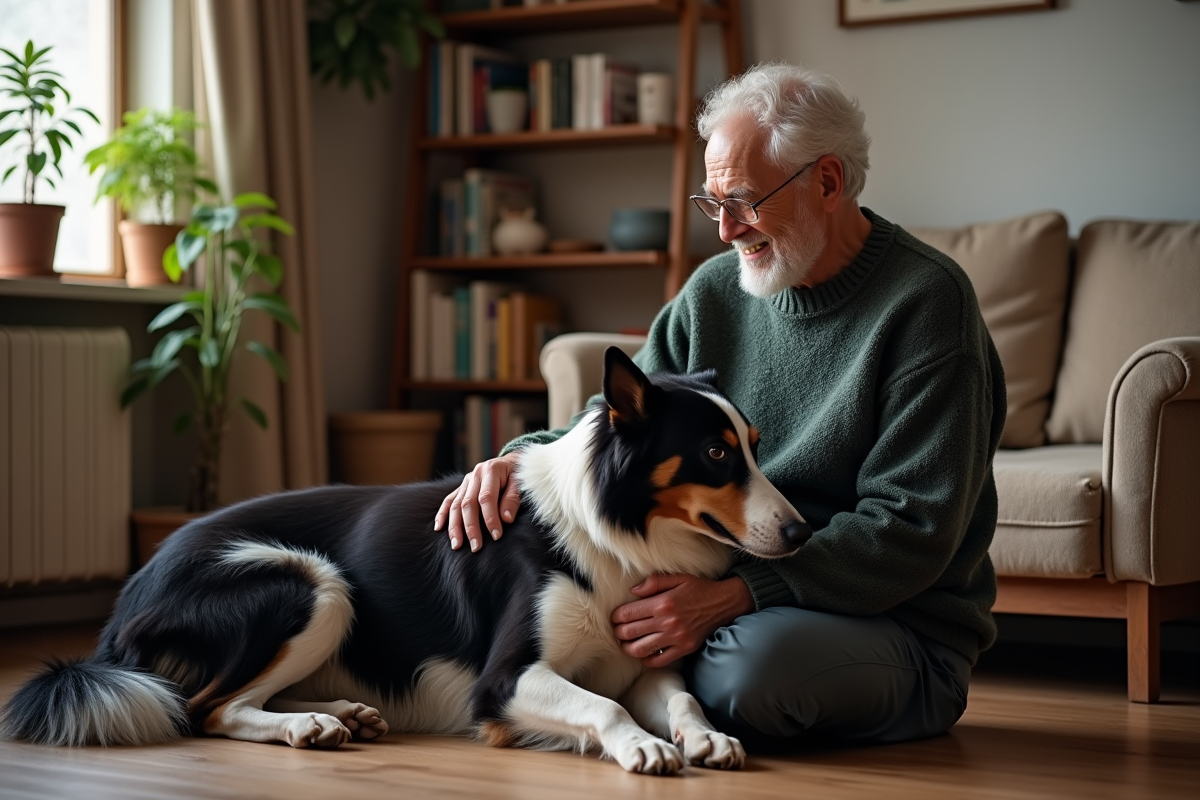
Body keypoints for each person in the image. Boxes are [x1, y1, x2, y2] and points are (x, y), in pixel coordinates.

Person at [433, 63, 1005, 749]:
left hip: (897, 626)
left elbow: (913, 528)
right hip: (734, 589)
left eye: (744, 200)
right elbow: (624, 417)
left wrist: (739, 595)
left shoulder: (927, 304)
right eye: (713, 203)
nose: (727, 230)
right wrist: (516, 460)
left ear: (827, 181)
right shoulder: (714, 293)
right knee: (617, 640)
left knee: (739, 675)